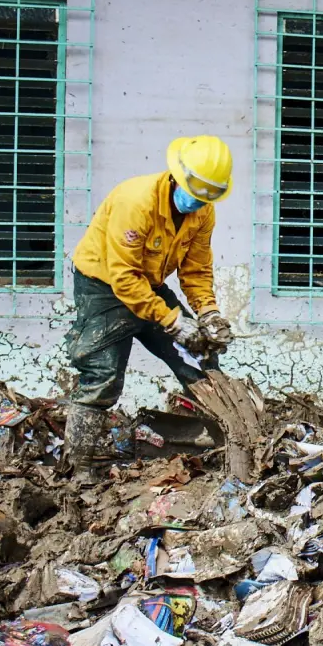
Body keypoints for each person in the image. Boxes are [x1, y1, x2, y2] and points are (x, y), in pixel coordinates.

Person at [63, 135, 236, 480]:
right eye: (196, 192)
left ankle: (223, 448)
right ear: (177, 177)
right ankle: (78, 469)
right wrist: (173, 321)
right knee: (102, 376)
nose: (198, 202)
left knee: (199, 358)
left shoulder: (203, 211)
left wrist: (208, 313)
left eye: (207, 196)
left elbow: (196, 269)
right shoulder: (136, 202)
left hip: (150, 286)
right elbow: (124, 277)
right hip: (104, 287)